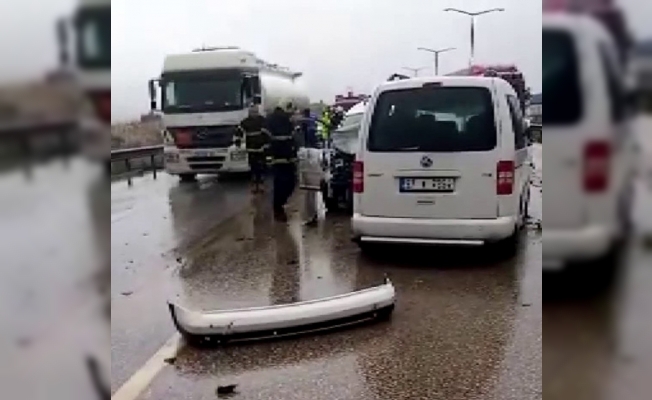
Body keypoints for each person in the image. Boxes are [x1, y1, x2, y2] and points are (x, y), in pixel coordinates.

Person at [264, 104, 299, 221]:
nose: (292, 112)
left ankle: (280, 205)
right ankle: (278, 209)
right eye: (290, 109)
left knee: (291, 184)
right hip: (277, 158)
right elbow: (266, 141)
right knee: (281, 185)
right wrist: (269, 157)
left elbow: (293, 140)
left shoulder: (288, 121)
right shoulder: (271, 121)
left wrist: (295, 155)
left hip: (289, 158)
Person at [237, 104, 268, 192]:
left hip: (261, 147)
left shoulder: (262, 120)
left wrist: (267, 143)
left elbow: (267, 132)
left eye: (255, 112)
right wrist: (237, 141)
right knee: (253, 166)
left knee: (262, 165)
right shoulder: (245, 122)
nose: (254, 113)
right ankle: (255, 184)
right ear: (249, 112)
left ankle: (261, 184)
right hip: (251, 147)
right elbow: (239, 132)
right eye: (252, 112)